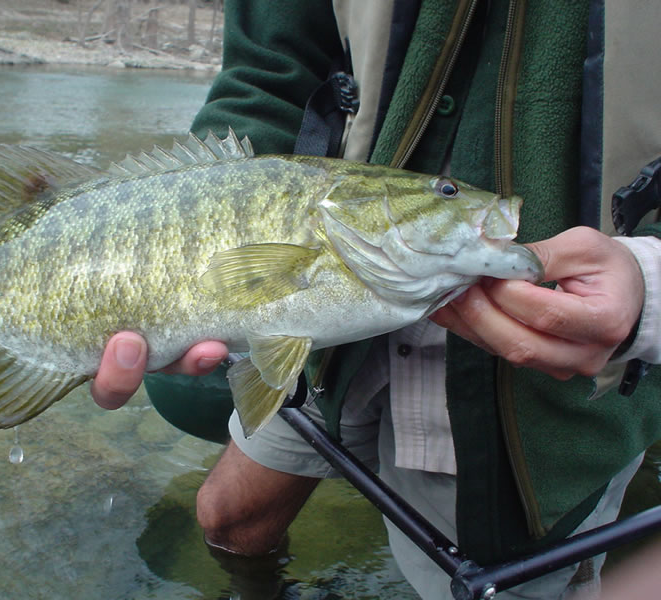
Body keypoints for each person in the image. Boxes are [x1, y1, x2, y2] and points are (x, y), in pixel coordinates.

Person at [91, 2, 661, 598]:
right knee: (229, 517)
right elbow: (268, 75)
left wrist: (649, 287)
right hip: (328, 346)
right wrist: (182, 250)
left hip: (535, 400)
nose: (482, 203)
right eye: (447, 196)